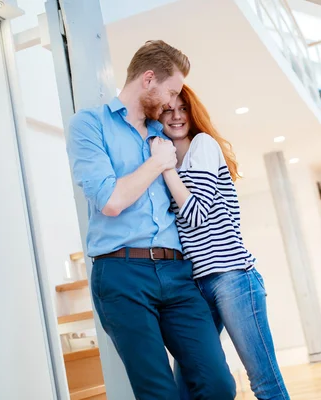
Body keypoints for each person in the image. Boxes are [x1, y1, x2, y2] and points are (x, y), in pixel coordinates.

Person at [67, 41, 235, 400]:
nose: (171, 102)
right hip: (122, 273)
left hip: (177, 273)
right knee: (158, 392)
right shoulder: (90, 125)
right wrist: (158, 163)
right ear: (148, 80)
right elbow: (111, 201)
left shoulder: (164, 134)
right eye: (170, 91)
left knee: (218, 384)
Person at [154, 85, 290, 400]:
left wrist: (164, 166)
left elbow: (197, 213)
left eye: (182, 108)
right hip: (194, 285)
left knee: (264, 384)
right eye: (167, 110)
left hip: (232, 277)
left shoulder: (202, 145)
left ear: (192, 112)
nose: (176, 116)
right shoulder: (165, 160)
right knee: (189, 386)